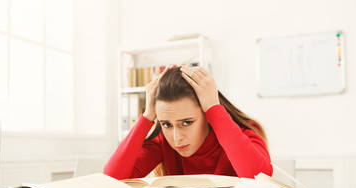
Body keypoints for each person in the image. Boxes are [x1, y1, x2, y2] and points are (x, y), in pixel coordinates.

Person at [104, 65, 272, 180]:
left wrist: (214, 108)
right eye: (167, 124)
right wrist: (147, 116)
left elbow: (260, 180)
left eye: (186, 123)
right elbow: (112, 179)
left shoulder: (243, 133)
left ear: (207, 114)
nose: (177, 138)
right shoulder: (163, 142)